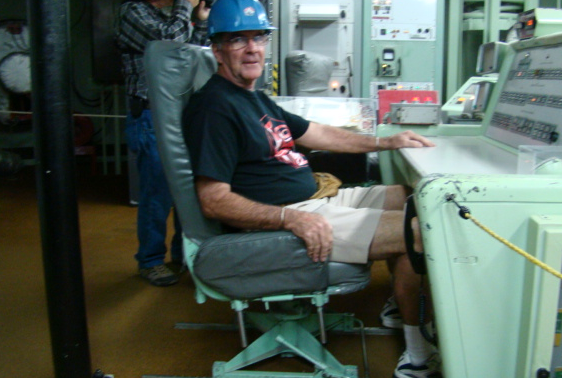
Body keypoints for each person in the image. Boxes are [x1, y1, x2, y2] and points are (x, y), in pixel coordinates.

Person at [183, 1, 440, 376]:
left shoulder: (252, 96)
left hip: (316, 196)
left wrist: (384, 142)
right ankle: (418, 354)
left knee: (415, 199)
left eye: (259, 37)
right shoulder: (214, 108)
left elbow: (314, 132)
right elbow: (213, 200)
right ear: (217, 49)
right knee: (420, 231)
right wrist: (290, 218)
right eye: (238, 39)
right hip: (295, 211)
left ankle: (400, 304)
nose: (252, 48)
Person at [117, 0, 210, 286]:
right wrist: (185, 5)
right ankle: (150, 261)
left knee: (188, 189)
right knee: (158, 193)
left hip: (180, 112)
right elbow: (169, 41)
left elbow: (189, 55)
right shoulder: (133, 12)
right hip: (149, 114)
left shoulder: (170, 17)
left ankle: (183, 256)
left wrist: (202, 21)